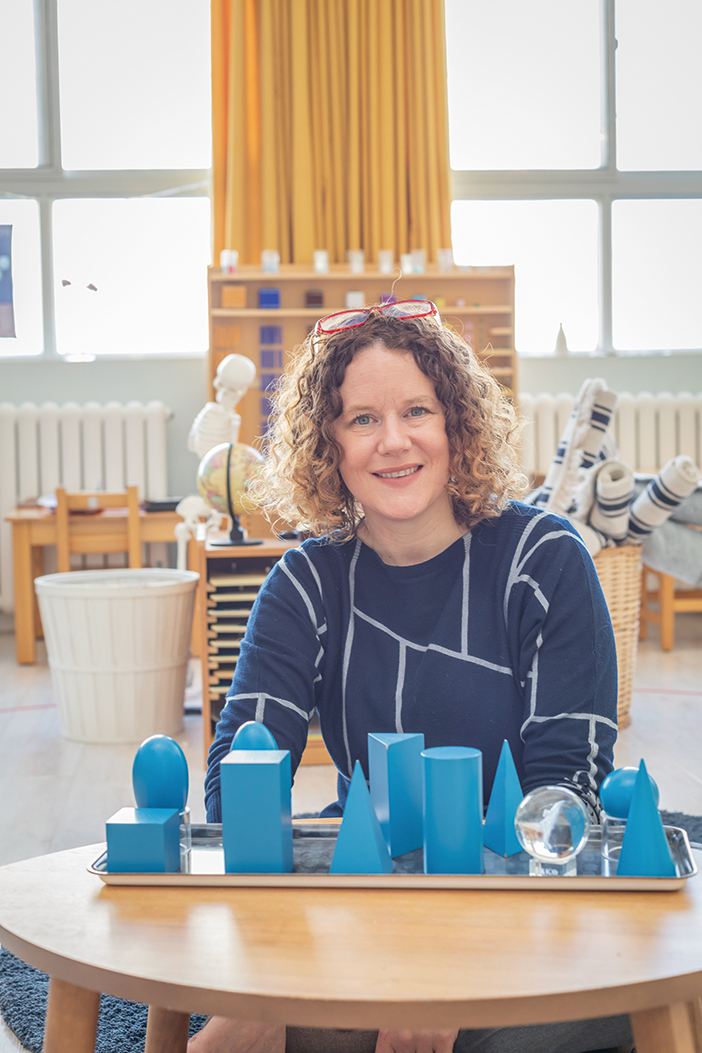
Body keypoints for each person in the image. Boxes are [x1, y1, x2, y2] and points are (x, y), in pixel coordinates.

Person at [190, 300, 633, 1053]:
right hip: (371, 892)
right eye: (362, 419)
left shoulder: (546, 560)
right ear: (328, 443)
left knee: (595, 1006)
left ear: (456, 423)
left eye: (417, 411)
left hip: (521, 905)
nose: (393, 441)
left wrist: (450, 966)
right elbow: (240, 783)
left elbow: (566, 803)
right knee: (242, 1024)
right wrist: (268, 960)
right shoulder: (304, 581)